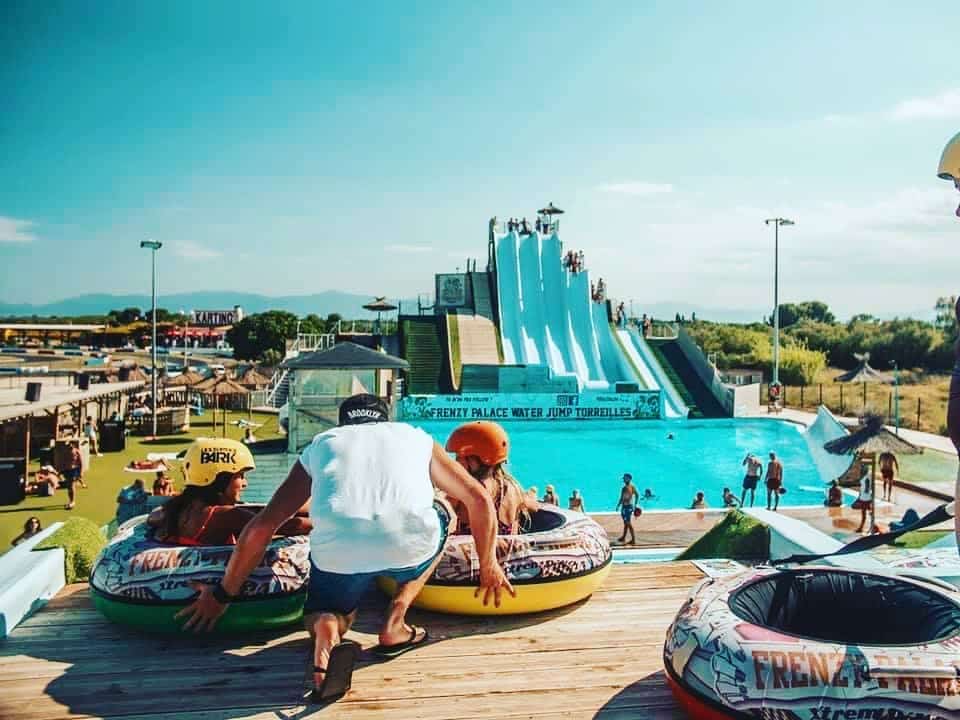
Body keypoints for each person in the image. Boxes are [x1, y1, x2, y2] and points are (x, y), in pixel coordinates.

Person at [173, 394, 513, 705]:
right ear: (385, 419)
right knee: (445, 512)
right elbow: (478, 500)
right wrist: (488, 565)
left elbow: (263, 526)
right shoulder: (415, 437)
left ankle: (327, 625)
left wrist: (222, 596)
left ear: (343, 424)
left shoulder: (322, 444)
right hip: (409, 547)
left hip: (340, 554)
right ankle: (396, 619)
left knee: (325, 605)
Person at [148, 438, 311, 546]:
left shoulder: (179, 509)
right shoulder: (225, 516)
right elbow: (289, 526)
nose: (245, 483)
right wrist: (324, 520)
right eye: (240, 476)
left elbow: (153, 516)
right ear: (218, 479)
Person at [445, 421, 538, 536]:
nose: (456, 462)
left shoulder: (464, 491)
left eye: (459, 457)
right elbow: (534, 506)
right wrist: (530, 496)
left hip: (473, 547)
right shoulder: (514, 488)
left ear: (477, 458)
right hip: (505, 547)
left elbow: (442, 514)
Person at [615, 473, 639, 544]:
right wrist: (618, 505)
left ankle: (633, 539)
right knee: (625, 523)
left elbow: (637, 495)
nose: (624, 480)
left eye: (625, 478)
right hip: (625, 507)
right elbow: (622, 497)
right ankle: (623, 537)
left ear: (629, 479)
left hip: (628, 507)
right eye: (624, 478)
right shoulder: (626, 487)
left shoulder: (630, 487)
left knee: (628, 523)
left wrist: (635, 504)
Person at [852, 468, 876, 534]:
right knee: (868, 512)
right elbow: (863, 487)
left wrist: (864, 494)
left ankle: (862, 528)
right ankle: (872, 526)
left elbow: (867, 488)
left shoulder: (867, 477)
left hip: (865, 498)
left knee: (864, 513)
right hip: (864, 497)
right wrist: (860, 496)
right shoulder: (865, 477)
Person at [64, 440, 84, 509]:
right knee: (69, 486)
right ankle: (70, 501)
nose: (69, 445)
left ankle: (72, 501)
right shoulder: (66, 452)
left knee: (71, 485)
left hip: (74, 470)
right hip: (67, 470)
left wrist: (81, 472)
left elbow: (81, 463)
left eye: (70, 444)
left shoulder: (77, 451)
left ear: (73, 444)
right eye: (68, 444)